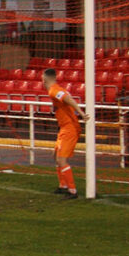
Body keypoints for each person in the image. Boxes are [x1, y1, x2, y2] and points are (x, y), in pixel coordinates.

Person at [43, 67, 87, 199]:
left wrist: (81, 113)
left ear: (44, 79)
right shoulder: (56, 89)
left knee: (62, 159)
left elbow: (68, 99)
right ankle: (63, 186)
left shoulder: (53, 90)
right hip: (64, 128)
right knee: (56, 155)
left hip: (70, 128)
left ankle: (72, 191)